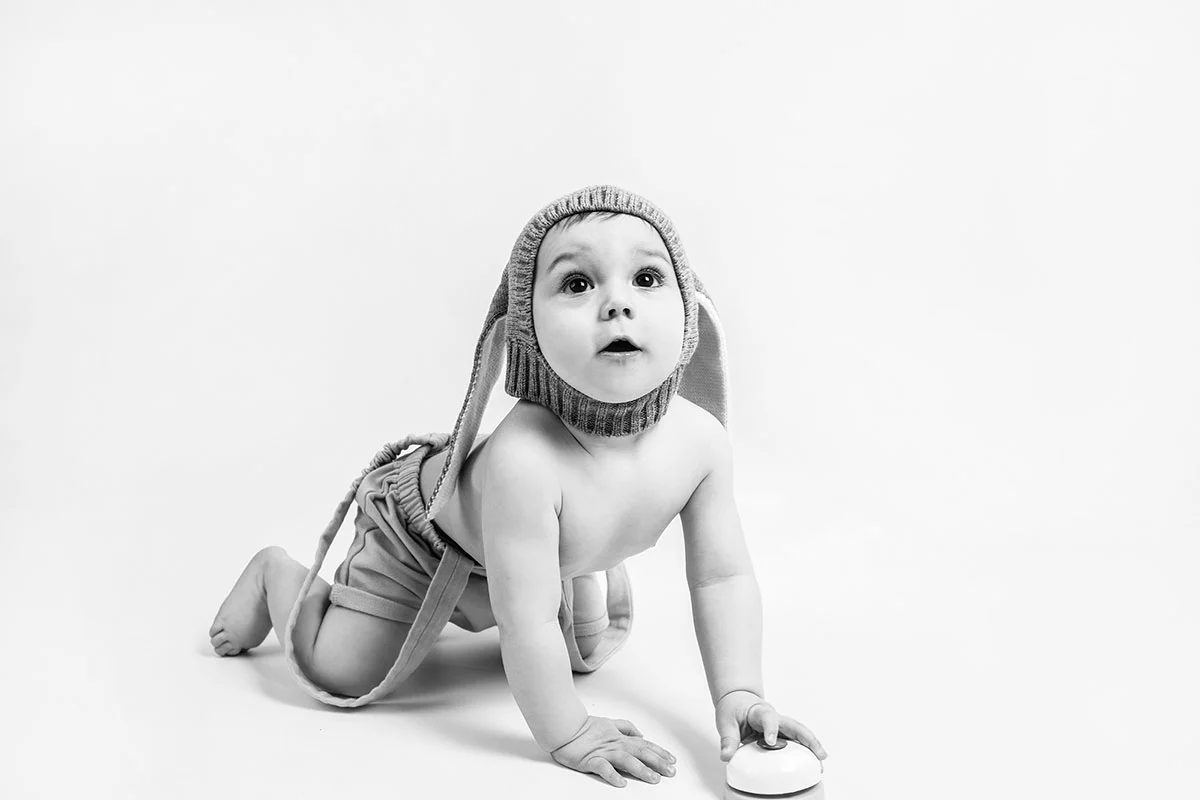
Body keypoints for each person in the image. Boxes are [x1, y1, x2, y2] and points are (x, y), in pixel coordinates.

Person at [209, 185, 827, 788]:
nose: (618, 303)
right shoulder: (524, 460)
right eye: (577, 284)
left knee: (586, 647)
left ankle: (523, 595)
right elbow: (526, 619)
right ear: (527, 329)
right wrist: (569, 733)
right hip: (421, 541)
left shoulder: (701, 441)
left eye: (646, 278)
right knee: (340, 669)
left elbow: (722, 578)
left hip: (539, 552)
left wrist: (740, 693)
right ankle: (274, 577)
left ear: (690, 309)